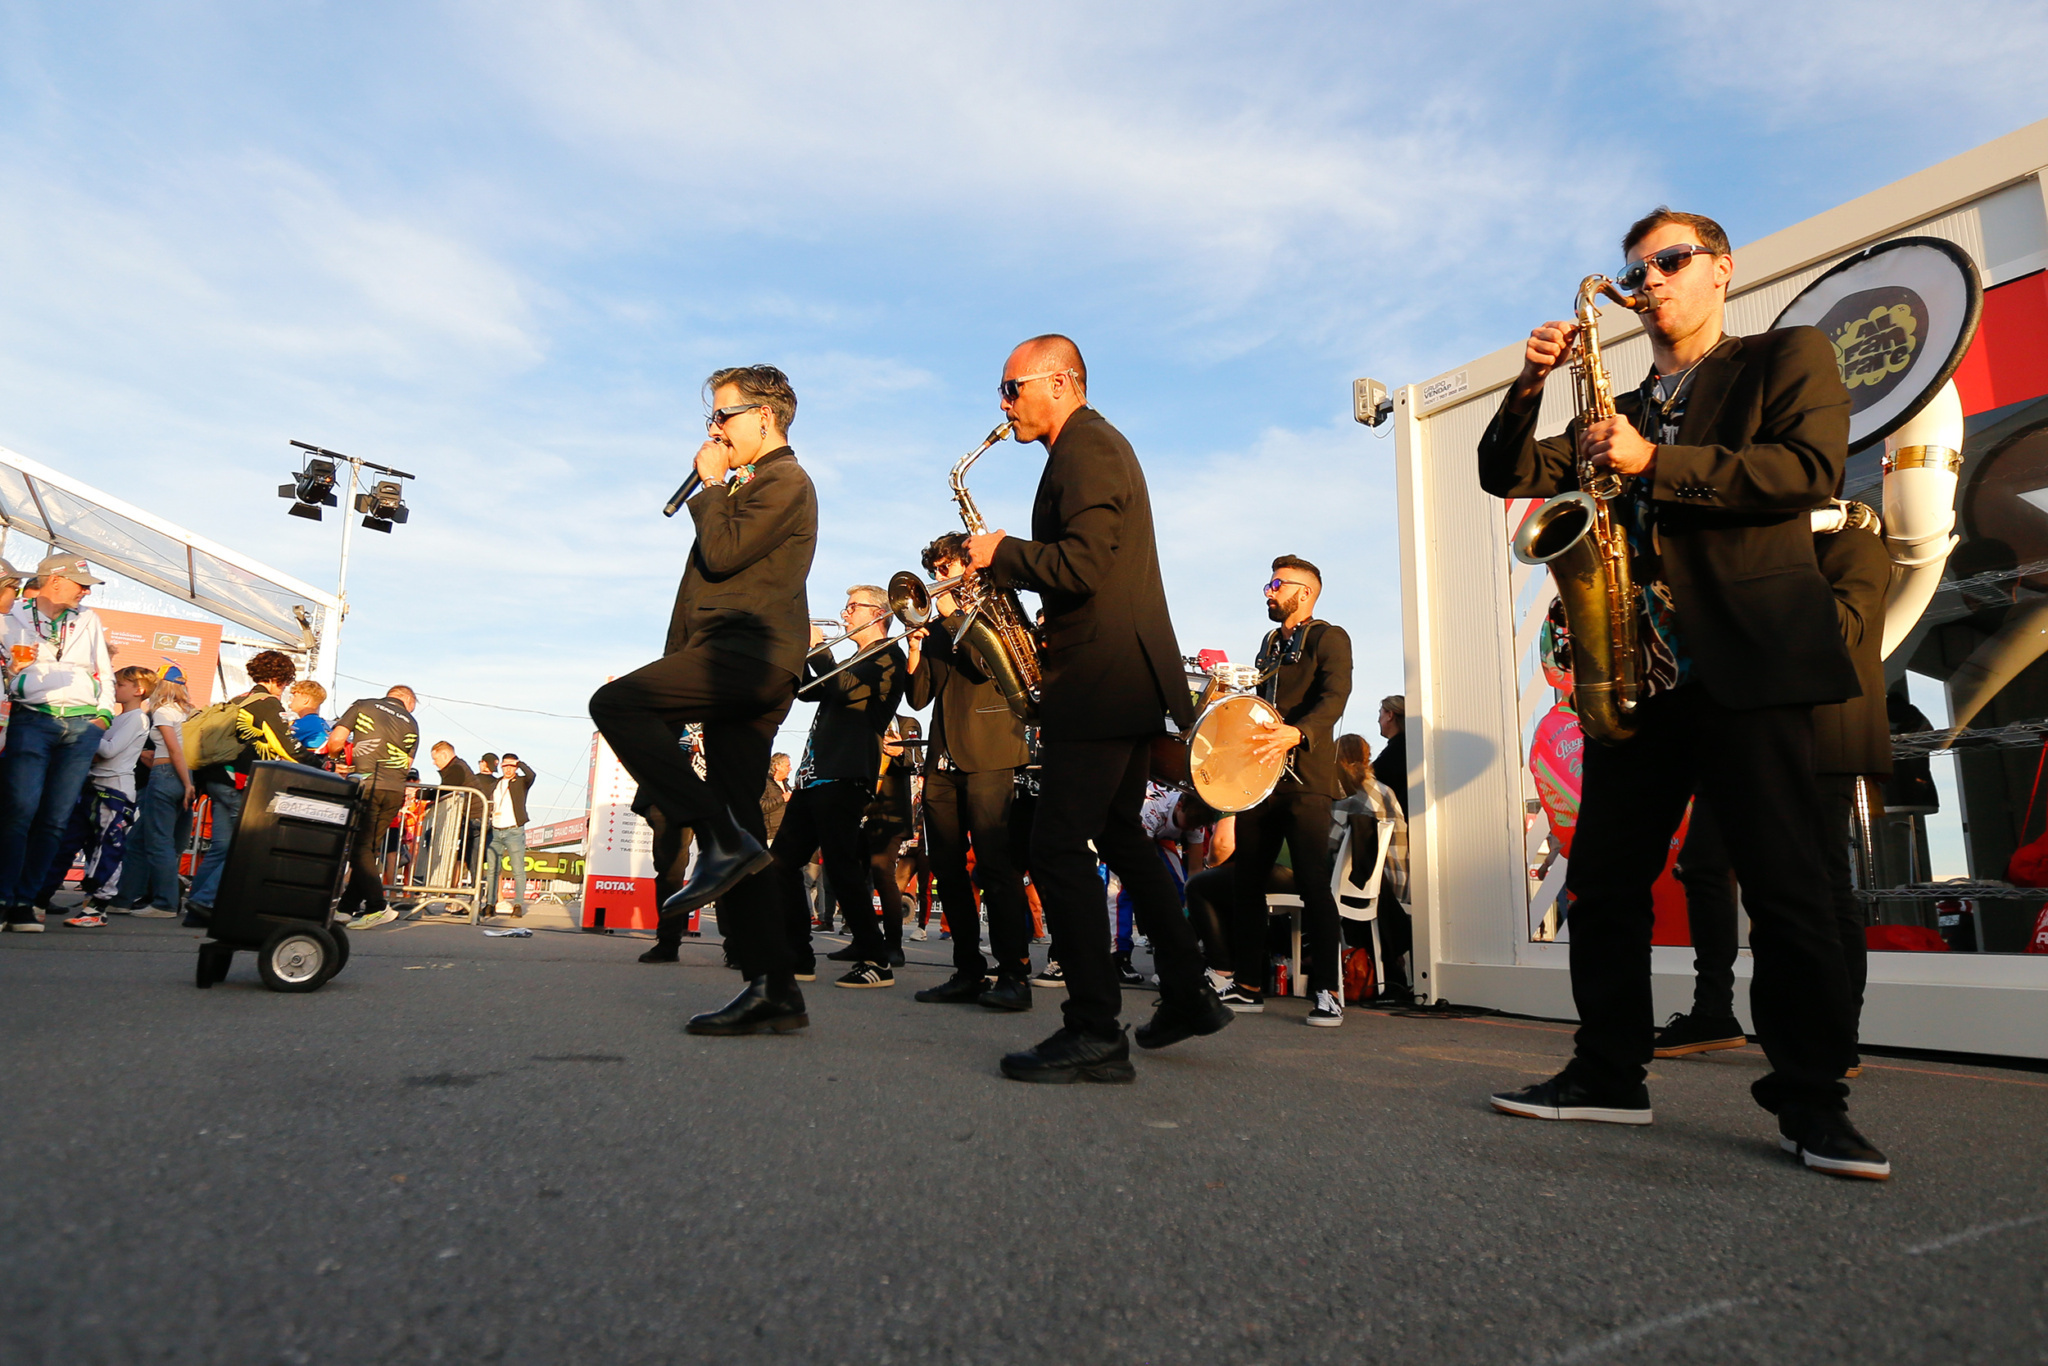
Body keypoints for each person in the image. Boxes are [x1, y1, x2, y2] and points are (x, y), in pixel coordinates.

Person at [1476, 208, 1885, 1180]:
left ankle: (1811, 1099)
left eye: (1668, 260)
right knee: (1603, 883)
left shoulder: (1782, 358)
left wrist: (1654, 461)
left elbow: (1801, 470)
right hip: (1639, 677)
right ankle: (1609, 1070)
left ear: (1720, 271)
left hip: (1747, 661)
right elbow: (1501, 471)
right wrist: (1528, 381)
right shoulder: (1602, 410)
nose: (1648, 281)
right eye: (1634, 271)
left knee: (1786, 888)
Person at [962, 334, 1230, 1083]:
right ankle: (1186, 991)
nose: (1004, 405)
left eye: (1011, 388)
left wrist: (1000, 553)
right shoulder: (1085, 448)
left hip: (1105, 677)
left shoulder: (1088, 449)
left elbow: (1082, 564)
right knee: (1120, 836)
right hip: (1120, 675)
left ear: (1058, 381)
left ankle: (1094, 1031)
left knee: (1054, 848)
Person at [588, 364, 817, 1036]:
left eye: (724, 416)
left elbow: (722, 553)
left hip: (747, 659)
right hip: (726, 658)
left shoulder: (785, 481)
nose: (713, 429)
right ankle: (773, 983)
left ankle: (715, 838)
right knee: (744, 817)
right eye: (711, 418)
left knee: (617, 706)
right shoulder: (754, 482)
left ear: (765, 417)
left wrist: (711, 487)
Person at [1655, 519, 1892, 1070]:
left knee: (1826, 884)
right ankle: (1713, 1010)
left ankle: (1837, 1033)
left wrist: (1769, 569)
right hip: (1746, 727)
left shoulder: (1853, 543)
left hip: (1823, 733)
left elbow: (1845, 628)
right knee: (1704, 864)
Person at [1215, 556, 1353, 1024]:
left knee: (1314, 883)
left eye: (1277, 584)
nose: (1268, 591)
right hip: (1261, 780)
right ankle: (1249, 984)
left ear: (1306, 591)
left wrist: (1300, 732)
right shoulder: (1270, 643)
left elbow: (1335, 696)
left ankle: (1328, 991)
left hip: (1306, 781)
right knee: (1246, 881)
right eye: (1269, 583)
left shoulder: (1329, 637)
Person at [904, 532, 1037, 1011]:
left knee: (996, 868)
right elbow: (920, 696)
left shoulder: (996, 610)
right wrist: (918, 648)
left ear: (969, 566)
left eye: (945, 568)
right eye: (935, 569)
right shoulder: (939, 625)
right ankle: (966, 969)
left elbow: (988, 667)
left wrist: (953, 617)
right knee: (946, 868)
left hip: (990, 753)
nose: (938, 577)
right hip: (943, 756)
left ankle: (1014, 973)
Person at [773, 584, 908, 988]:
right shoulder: (855, 656)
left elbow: (845, 689)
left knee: (844, 870)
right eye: (846, 607)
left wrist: (821, 650)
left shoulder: (889, 656)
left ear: (878, 615)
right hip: (815, 776)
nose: (845, 614)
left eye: (853, 607)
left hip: (846, 774)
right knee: (779, 864)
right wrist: (806, 651)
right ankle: (798, 955)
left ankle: (876, 958)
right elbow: (809, 691)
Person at [1, 556, 116, 932]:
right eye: (80, 582)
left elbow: (104, 669)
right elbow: (5, 673)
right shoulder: (11, 615)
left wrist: (103, 717)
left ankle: (27, 901)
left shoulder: (88, 619)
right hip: (32, 719)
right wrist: (15, 675)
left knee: (55, 819)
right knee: (20, 809)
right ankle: (4, 896)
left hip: (83, 725)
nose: (85, 590)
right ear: (54, 581)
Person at [185, 650, 314, 926]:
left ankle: (195, 907)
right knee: (249, 846)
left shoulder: (238, 700)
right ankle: (205, 901)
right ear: (280, 678)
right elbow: (287, 746)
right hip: (240, 781)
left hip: (218, 779)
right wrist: (321, 766)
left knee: (221, 848)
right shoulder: (266, 703)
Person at [31, 665, 158, 926]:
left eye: (120, 684)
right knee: (65, 845)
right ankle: (39, 899)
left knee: (105, 849)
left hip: (114, 792)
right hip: (94, 788)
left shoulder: (137, 718)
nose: (114, 688)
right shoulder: (119, 717)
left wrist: (85, 730)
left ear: (139, 690)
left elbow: (108, 751)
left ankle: (97, 907)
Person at [322, 685, 420, 930]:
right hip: (394, 790)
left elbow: (336, 740)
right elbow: (407, 765)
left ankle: (378, 906)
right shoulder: (412, 723)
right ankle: (347, 907)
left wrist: (335, 761)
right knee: (369, 849)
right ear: (407, 700)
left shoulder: (363, 704)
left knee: (359, 848)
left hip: (367, 784)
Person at [114, 666, 196, 918]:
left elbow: (173, 750)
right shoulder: (189, 713)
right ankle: (124, 898)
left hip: (166, 775)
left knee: (158, 842)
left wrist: (186, 784)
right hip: (182, 776)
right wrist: (189, 783)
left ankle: (165, 903)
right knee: (141, 839)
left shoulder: (163, 712)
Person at [483, 750, 536, 916]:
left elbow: (531, 775)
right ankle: (490, 903)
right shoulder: (496, 783)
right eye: (505, 765)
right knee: (492, 869)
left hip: (514, 830)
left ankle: (518, 904)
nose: (508, 769)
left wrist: (519, 764)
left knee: (518, 868)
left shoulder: (520, 781)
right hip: (496, 829)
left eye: (511, 766)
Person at [1372, 696, 1407, 818]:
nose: (1378, 720)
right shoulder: (1408, 747)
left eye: (1380, 713)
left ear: (1390, 715)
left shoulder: (1396, 751)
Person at [286, 680, 330, 753]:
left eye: (294, 696)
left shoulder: (302, 724)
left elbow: (282, 742)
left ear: (306, 700)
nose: (291, 699)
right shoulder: (323, 724)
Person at [763, 752, 791, 842]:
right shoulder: (765, 784)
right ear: (777, 767)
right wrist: (782, 799)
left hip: (787, 832)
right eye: (787, 766)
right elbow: (761, 805)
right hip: (773, 835)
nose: (790, 769)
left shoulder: (786, 785)